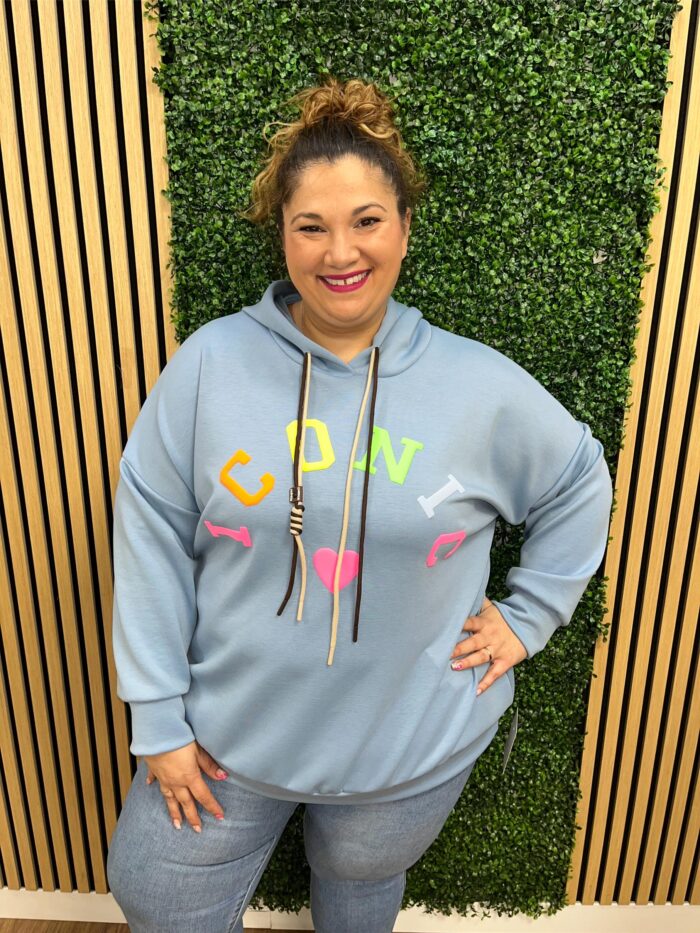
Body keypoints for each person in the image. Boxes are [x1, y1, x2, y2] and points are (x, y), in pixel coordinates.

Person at [106, 75, 614, 933]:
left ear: (405, 228)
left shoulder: (476, 385)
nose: (339, 251)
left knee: (359, 879)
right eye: (312, 225)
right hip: (227, 736)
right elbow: (150, 535)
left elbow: (578, 479)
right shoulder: (209, 366)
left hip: (408, 744)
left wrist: (529, 615)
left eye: (367, 220)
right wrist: (157, 717)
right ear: (283, 235)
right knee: (155, 891)